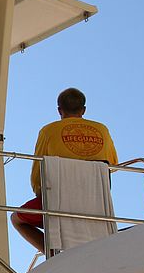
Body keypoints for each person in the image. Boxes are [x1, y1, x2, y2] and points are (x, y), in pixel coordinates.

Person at [12, 88, 118, 252]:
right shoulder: (102, 130)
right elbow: (113, 165)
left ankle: (55, 257)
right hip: (97, 205)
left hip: (58, 202)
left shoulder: (48, 131)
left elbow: (38, 169)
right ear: (83, 110)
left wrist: (40, 193)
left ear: (59, 110)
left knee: (16, 218)